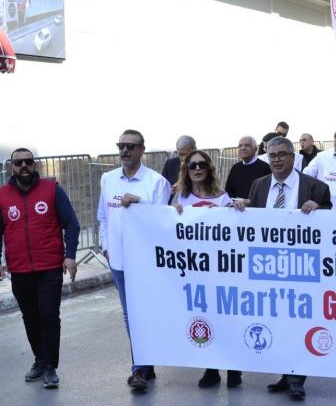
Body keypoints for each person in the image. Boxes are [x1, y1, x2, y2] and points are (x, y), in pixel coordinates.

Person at [246, 136, 332, 400]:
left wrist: (319, 209)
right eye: (272, 156)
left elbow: (331, 223)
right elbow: (251, 223)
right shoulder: (258, 186)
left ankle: (297, 376)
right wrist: (240, 208)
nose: (277, 160)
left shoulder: (316, 187)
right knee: (278, 322)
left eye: (282, 155)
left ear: (293, 157)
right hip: (268, 267)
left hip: (303, 269)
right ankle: (285, 373)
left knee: (299, 323)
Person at [98, 129, 171, 391]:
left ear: (142, 149)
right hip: (118, 260)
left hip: (147, 263)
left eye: (130, 146)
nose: (125, 151)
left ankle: (143, 364)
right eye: (121, 146)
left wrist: (140, 203)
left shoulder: (156, 182)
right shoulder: (107, 179)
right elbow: (103, 216)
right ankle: (141, 367)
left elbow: (162, 222)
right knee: (131, 315)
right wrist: (106, 246)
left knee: (146, 313)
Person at [0, 149, 80, 389]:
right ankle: (39, 359)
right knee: (30, 317)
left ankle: (50, 367)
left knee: (48, 315)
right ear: (11, 167)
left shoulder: (52, 189)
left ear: (35, 164)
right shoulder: (2, 195)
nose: (24, 165)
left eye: (28, 161)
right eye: (18, 162)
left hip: (49, 267)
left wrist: (70, 256)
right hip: (20, 268)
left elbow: (71, 224)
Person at [173, 150, 240, 388]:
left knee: (227, 318)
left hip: (221, 268)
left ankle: (234, 369)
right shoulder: (180, 199)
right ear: (186, 170)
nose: (197, 169)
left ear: (209, 168)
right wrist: (174, 216)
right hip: (194, 269)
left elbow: (233, 229)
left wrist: (238, 208)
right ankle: (211, 368)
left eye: (202, 165)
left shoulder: (221, 197)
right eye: (192, 166)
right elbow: (167, 229)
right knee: (204, 317)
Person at [224, 136, 272, 201]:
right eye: (240, 146)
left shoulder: (265, 168)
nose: (243, 148)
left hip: (257, 209)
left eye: (247, 145)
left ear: (255, 149)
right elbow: (228, 192)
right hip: (236, 208)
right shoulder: (235, 168)